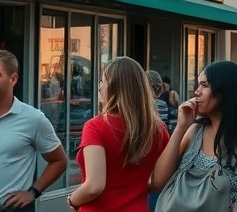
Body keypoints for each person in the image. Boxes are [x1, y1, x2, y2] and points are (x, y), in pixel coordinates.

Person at [151, 61, 237, 212]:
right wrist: (180, 127)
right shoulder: (194, 131)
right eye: (198, 85)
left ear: (224, 91)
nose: (196, 92)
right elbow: (158, 181)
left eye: (204, 85)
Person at [67, 57, 170, 212]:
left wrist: (73, 200)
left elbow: (94, 186)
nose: (99, 87)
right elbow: (159, 182)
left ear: (114, 87)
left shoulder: (96, 126)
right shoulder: (157, 129)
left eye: (102, 81)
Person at [0, 50, 68, 212]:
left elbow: (59, 161)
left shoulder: (33, 119)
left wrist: (33, 192)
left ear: (13, 79)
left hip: (11, 208)